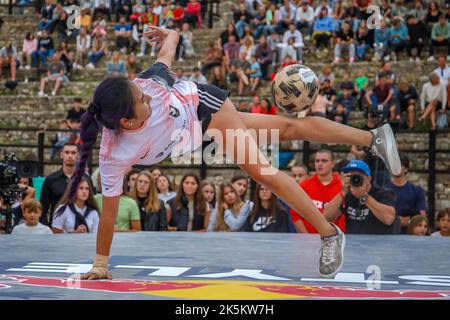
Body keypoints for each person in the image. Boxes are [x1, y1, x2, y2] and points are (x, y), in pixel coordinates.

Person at [73, 25, 401, 280]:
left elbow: (168, 49)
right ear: (126, 122)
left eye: (141, 90)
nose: (145, 94)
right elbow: (110, 215)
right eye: (140, 100)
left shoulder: (152, 85)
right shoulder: (114, 156)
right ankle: (374, 137)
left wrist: (169, 33)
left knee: (262, 173)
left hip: (207, 108)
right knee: (289, 128)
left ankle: (330, 235)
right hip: (196, 131)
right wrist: (100, 263)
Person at [324, 160, 398, 234]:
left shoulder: (383, 193)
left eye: (358, 176)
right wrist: (343, 192)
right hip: (353, 243)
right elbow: (326, 218)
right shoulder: (348, 194)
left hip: (377, 243)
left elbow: (389, 219)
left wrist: (364, 196)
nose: (354, 179)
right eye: (350, 176)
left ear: (369, 179)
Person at [290, 150, 346, 234]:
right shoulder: (305, 185)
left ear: (332, 164)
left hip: (332, 239)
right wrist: (306, 237)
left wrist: (336, 237)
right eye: (317, 161)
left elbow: (344, 216)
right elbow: (295, 214)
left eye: (324, 161)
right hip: (307, 240)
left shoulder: (341, 186)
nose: (320, 164)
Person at [385, 153, 426, 234]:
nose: (395, 168)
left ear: (406, 169)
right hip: (389, 235)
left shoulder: (417, 191)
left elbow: (422, 216)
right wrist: (398, 221)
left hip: (411, 236)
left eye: (398, 165)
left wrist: (409, 221)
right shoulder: (384, 190)